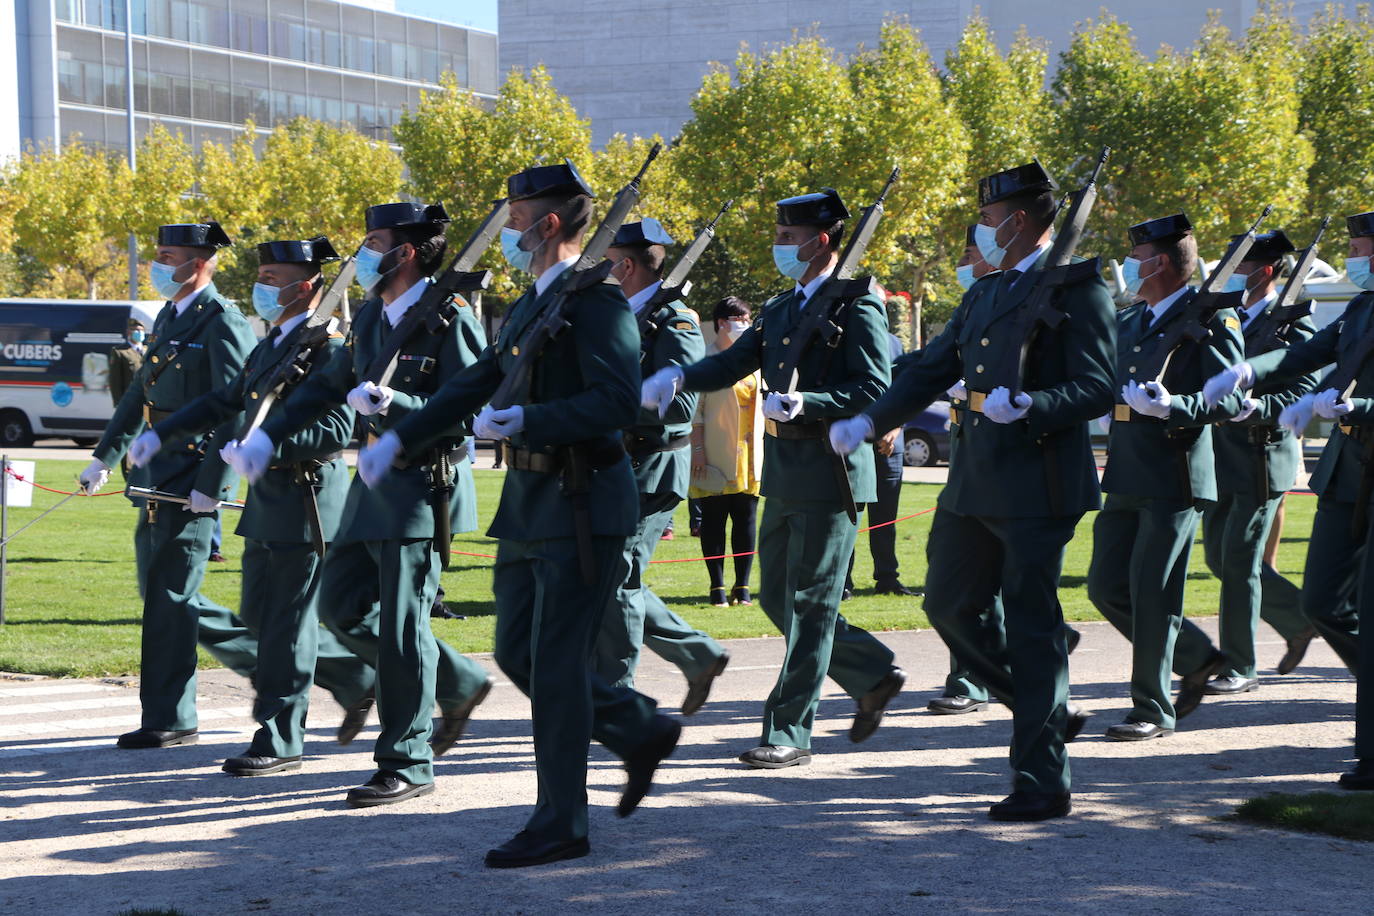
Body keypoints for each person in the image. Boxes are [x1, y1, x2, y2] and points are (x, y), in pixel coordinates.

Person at [357, 161, 680, 868]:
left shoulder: (596, 301)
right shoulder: (539, 299)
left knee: (557, 667)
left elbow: (617, 403)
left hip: (583, 500)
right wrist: (402, 438)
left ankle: (561, 821)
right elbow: (477, 378)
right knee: (516, 654)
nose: (507, 223)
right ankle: (636, 728)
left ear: (550, 223)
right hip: (532, 504)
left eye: (515, 212)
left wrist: (526, 419)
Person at [831, 161, 1114, 820]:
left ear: (1017, 220)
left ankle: (1042, 780)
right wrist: (873, 418)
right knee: (949, 604)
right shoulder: (986, 293)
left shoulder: (1079, 288)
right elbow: (932, 367)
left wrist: (1036, 404)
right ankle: (1043, 707)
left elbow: (1098, 384)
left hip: (1038, 483)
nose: (981, 231)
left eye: (987, 219)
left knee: (1031, 624)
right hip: (975, 479)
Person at [224, 201, 494, 807]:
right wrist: (268, 433)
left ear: (406, 251)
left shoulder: (448, 316)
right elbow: (324, 386)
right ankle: (452, 684)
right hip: (372, 490)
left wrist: (397, 408)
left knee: (402, 631)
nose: (363, 252)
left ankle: (407, 759)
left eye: (375, 241)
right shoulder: (374, 316)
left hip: (421, 491)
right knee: (341, 608)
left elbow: (472, 412)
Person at [644, 187, 905, 770]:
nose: (779, 246)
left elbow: (875, 390)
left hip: (832, 468)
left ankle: (788, 730)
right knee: (773, 597)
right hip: (785, 469)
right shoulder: (784, 306)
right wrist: (682, 376)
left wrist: (808, 402)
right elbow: (735, 362)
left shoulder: (858, 305)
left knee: (811, 604)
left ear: (822, 240)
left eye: (788, 238)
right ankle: (870, 671)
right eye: (780, 235)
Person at [125, 236, 372, 775]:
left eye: (272, 277)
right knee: (262, 621)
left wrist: (269, 445)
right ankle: (347, 683)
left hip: (306, 499)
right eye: (260, 274)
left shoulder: (328, 349)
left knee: (286, 624)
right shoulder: (275, 343)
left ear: (306, 286)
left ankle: (281, 737)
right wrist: (161, 433)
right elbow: (225, 400)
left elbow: (338, 427)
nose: (262, 285)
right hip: (268, 499)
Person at [1202, 208, 1374, 790]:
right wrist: (1249, 370)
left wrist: (1358, 409)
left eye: (1363, 249)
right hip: (1346, 473)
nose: (1357, 260)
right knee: (1325, 602)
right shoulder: (1361, 308)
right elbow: (1309, 356)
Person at [78, 221, 257, 750]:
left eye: (166, 255)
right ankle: (178, 708)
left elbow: (236, 409)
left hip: (192, 480)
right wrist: (104, 456)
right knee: (162, 596)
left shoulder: (222, 321)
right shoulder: (171, 316)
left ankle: (174, 716)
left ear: (198, 262)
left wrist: (215, 483)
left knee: (173, 596)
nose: (156, 264)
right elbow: (138, 395)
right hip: (156, 478)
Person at [1087, 212, 1243, 741]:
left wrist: (1176, 405)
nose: (1131, 263)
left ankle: (1151, 710)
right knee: (1106, 587)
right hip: (1127, 470)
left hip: (1175, 472)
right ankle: (1198, 657)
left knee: (1152, 592)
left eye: (1138, 255)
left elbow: (1233, 396)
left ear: (1161, 262)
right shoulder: (1132, 321)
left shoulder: (1213, 319)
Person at [598, 219, 730, 713]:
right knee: (611, 574)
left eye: (607, 261)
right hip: (616, 462)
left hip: (650, 465)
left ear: (626, 265)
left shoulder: (674, 320)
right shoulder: (620, 313)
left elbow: (679, 404)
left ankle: (614, 696)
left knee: (618, 576)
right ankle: (698, 656)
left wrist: (612, 402)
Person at [1199, 229, 1318, 695]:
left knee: (1241, 561)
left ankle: (1238, 664)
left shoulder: (1292, 325)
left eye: (1239, 266)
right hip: (1219, 455)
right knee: (1216, 557)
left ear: (1265, 271)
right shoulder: (1220, 318)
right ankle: (1302, 618)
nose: (1227, 274)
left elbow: (1302, 390)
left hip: (1260, 454)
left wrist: (1260, 408)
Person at [928, 225, 1002, 715]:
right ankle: (978, 671)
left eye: (970, 253)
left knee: (986, 576)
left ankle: (975, 676)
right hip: (966, 458)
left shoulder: (1008, 309)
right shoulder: (975, 305)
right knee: (951, 567)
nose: (965, 262)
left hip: (1000, 459)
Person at [689, 295, 762, 608]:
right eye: (740, 319)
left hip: (750, 454)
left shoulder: (753, 361)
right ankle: (716, 587)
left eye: (748, 320)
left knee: (746, 521)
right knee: (714, 521)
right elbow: (696, 413)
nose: (744, 325)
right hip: (715, 452)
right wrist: (697, 451)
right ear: (722, 322)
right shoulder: (704, 360)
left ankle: (742, 587)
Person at [108, 319, 145, 406]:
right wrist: (118, 402)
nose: (139, 333)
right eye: (136, 330)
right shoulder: (120, 351)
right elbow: (115, 380)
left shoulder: (148, 350)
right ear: (128, 332)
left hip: (148, 400)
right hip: (130, 400)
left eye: (141, 330)